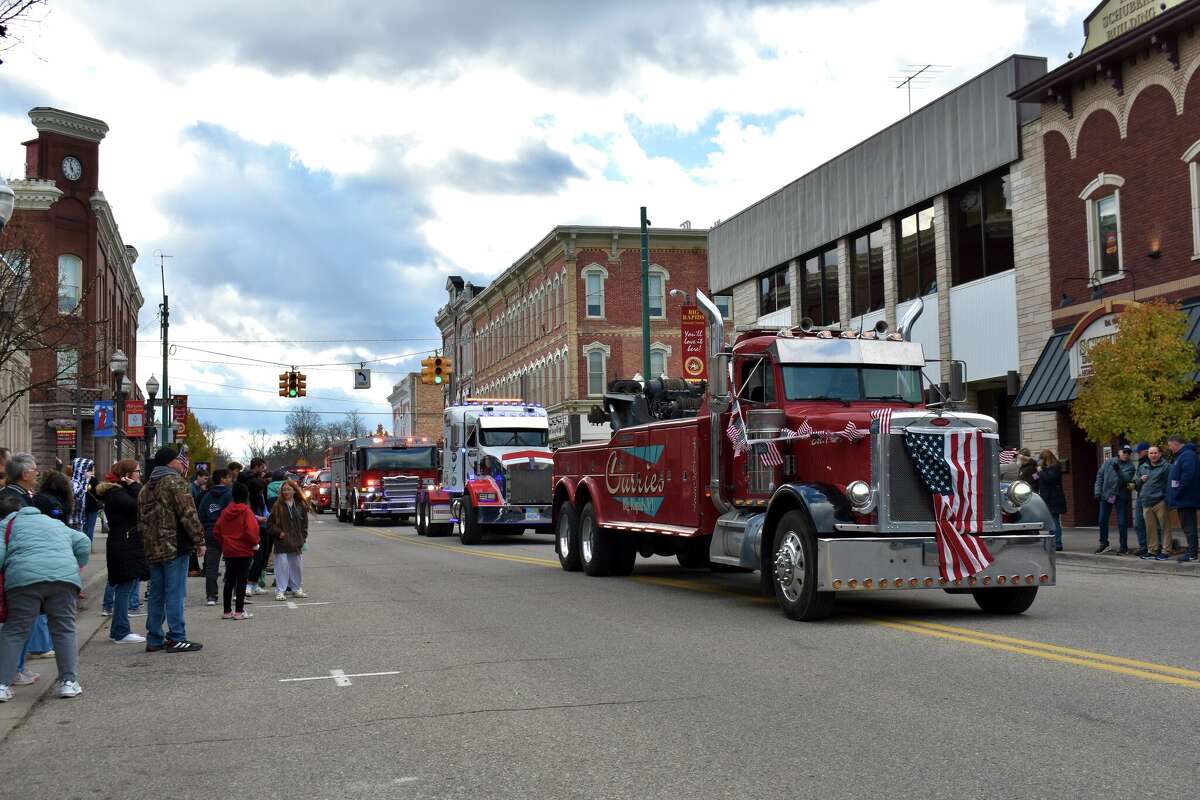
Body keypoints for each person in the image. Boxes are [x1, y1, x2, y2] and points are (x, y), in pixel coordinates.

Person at [0, 492, 91, 701]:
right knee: (64, 629)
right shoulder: (53, 523)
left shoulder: (5, 525)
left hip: (23, 581)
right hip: (63, 578)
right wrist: (76, 565)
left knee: (15, 631)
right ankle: (68, 682)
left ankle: (3, 685)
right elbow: (83, 542)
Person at [137, 447, 205, 653]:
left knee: (156, 594)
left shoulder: (145, 487)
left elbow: (140, 520)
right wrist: (199, 539)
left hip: (152, 547)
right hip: (174, 546)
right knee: (175, 593)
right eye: (179, 459)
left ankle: (154, 637)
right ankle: (177, 636)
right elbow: (188, 513)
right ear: (169, 462)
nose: (182, 461)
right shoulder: (175, 482)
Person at [96, 461, 148, 643]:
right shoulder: (116, 493)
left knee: (127, 586)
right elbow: (140, 505)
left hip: (125, 542)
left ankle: (119, 630)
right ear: (127, 474)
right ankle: (120, 631)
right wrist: (136, 487)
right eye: (137, 472)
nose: (139, 475)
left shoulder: (117, 492)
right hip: (124, 544)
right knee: (124, 588)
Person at [213, 482, 259, 620]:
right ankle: (239, 610)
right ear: (246, 496)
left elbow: (217, 530)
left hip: (229, 550)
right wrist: (255, 543)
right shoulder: (246, 511)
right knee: (242, 581)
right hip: (244, 550)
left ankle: (227, 611)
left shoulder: (225, 511)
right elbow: (251, 531)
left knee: (229, 580)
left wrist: (224, 542)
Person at [197, 468, 234, 605]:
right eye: (229, 477)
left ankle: (211, 596)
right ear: (223, 479)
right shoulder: (230, 495)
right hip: (228, 533)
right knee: (232, 564)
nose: (230, 480)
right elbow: (232, 514)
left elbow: (200, 515)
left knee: (212, 566)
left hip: (211, 532)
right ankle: (234, 593)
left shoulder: (207, 496)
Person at [269, 479, 311, 600]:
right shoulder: (278, 506)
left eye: (288, 489)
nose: (286, 492)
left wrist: (303, 537)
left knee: (296, 566)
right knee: (282, 566)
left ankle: (297, 589)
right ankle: (280, 591)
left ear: (294, 490)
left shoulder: (300, 505)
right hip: (282, 543)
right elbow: (270, 524)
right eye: (284, 490)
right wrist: (279, 533)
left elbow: (304, 524)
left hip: (296, 542)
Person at [1093, 445, 1135, 554]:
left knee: (1122, 522)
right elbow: (1100, 476)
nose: (1126, 454)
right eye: (1124, 452)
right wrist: (1097, 491)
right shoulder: (1108, 462)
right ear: (1119, 452)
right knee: (1102, 520)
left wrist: (1118, 470)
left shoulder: (1130, 466)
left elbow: (1125, 479)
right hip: (1106, 495)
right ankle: (1104, 544)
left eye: (1129, 453)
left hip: (1120, 496)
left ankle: (1123, 546)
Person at [1166, 434, 1199, 563]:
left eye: (1170, 446)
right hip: (1183, 498)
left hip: (1186, 498)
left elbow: (1188, 476)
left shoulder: (1187, 455)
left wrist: (1178, 493)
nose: (1169, 448)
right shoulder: (1182, 456)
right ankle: (1192, 552)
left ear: (1176, 443)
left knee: (1189, 527)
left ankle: (1192, 554)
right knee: (1187, 527)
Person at [1137, 445, 1172, 561]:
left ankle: (1166, 551)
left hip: (1160, 501)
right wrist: (1140, 480)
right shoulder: (1143, 467)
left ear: (1160, 454)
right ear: (1148, 455)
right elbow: (1134, 483)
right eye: (1151, 453)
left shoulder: (1166, 467)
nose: (1153, 455)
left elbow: (1170, 483)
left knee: (1165, 527)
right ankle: (1152, 551)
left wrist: (1166, 499)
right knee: (1150, 528)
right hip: (1146, 502)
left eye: (1155, 453)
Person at [1033, 450, 1067, 551]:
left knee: (1054, 521)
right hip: (1047, 498)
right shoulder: (1045, 469)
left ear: (1046, 459)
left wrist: (1040, 471)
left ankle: (1057, 543)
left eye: (1042, 459)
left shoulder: (1055, 467)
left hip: (1054, 498)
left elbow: (1050, 478)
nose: (1041, 461)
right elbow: (1036, 478)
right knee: (1051, 521)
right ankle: (1053, 542)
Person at [1131, 443, 1151, 557]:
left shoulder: (1150, 462)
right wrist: (1136, 482)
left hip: (1149, 496)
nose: (1138, 453)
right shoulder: (1141, 462)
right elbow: (1138, 479)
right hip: (1140, 495)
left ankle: (1154, 547)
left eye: (1140, 451)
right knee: (1138, 523)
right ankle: (1143, 546)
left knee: (1152, 524)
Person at [68, 457, 94, 532]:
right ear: (81, 470)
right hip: (72, 523)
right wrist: (86, 481)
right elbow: (77, 496)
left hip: (78, 521)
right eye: (89, 470)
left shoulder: (81, 483)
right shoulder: (73, 483)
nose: (91, 473)